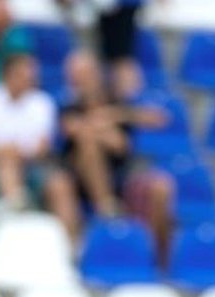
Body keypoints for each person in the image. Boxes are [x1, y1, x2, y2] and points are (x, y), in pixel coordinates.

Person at [59, 50, 173, 253]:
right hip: (79, 183)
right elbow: (74, 129)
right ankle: (105, 207)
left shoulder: (116, 103)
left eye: (84, 75)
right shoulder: (69, 107)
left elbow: (123, 143)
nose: (80, 81)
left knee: (162, 186)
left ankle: (158, 260)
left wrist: (112, 116)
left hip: (121, 177)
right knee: (89, 145)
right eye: (75, 77)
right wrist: (105, 125)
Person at [0, 54, 80, 232]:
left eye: (31, 75)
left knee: (60, 184)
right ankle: (18, 226)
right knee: (6, 162)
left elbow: (43, 146)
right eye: (24, 74)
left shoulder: (42, 103)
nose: (29, 79)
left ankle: (69, 247)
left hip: (31, 168)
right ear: (8, 74)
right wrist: (4, 151)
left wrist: (18, 152)